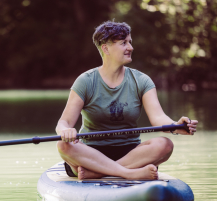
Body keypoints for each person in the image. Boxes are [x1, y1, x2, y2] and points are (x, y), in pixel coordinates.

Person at [55, 20, 198, 180]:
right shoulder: (86, 81)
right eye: (124, 43)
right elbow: (64, 122)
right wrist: (65, 131)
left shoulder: (142, 81)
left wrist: (175, 126)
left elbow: (158, 118)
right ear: (105, 48)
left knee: (165, 145)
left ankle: (98, 173)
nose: (130, 47)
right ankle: (127, 173)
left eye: (130, 42)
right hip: (91, 152)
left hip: (130, 152)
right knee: (63, 145)